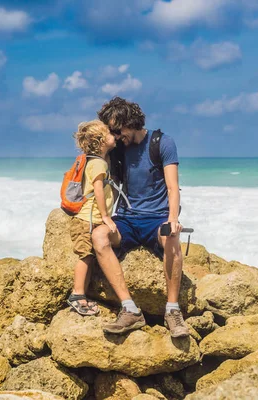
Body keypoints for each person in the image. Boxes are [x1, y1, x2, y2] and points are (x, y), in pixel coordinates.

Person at [91, 97, 189, 338]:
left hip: (156, 219)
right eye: (110, 130)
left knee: (172, 238)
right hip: (127, 219)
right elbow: (98, 178)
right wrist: (101, 216)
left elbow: (173, 188)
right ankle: (130, 309)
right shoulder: (117, 150)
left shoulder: (162, 143)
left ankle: (173, 311)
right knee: (99, 236)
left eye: (117, 129)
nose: (115, 134)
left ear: (130, 122)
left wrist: (172, 218)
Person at [66, 120, 119, 317]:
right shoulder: (98, 163)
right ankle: (77, 294)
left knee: (88, 255)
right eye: (109, 133)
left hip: (90, 220)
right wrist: (106, 216)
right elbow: (98, 189)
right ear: (101, 141)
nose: (114, 134)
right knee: (85, 256)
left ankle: (82, 294)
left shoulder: (96, 160)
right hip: (86, 220)